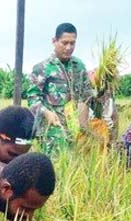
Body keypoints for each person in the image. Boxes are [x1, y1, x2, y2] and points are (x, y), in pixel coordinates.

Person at [27, 22, 93, 154]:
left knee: (77, 163)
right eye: (64, 43)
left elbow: (87, 94)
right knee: (56, 166)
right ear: (54, 41)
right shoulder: (42, 68)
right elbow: (33, 99)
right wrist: (46, 113)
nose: (69, 47)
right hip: (51, 127)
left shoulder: (78, 66)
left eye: (72, 43)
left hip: (74, 125)